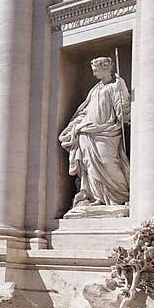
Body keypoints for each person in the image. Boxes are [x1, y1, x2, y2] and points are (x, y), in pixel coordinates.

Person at [59, 56, 131, 209]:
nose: (93, 74)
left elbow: (123, 106)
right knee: (90, 166)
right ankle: (97, 196)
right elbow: (85, 110)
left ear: (105, 67)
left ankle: (120, 196)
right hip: (88, 131)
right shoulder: (95, 89)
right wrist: (75, 125)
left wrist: (124, 111)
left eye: (96, 70)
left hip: (108, 131)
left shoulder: (116, 84)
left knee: (109, 163)